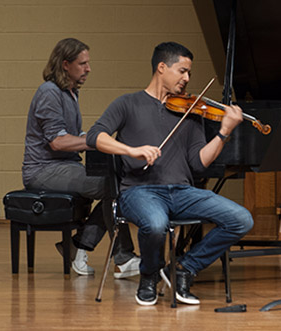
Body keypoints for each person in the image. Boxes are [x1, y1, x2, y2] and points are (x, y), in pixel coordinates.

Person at [86, 41, 254, 306]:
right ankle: (149, 275)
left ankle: (183, 269)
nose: (187, 78)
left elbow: (199, 164)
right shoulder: (127, 104)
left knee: (241, 219)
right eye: (182, 71)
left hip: (183, 192)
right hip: (139, 192)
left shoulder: (190, 111)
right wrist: (131, 150)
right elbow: (96, 136)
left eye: (189, 73)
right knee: (155, 224)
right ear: (161, 68)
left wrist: (224, 132)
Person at [22, 38, 140, 278]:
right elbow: (57, 141)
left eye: (88, 63)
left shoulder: (70, 92)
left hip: (64, 166)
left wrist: (99, 136)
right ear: (65, 64)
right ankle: (123, 257)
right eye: (82, 63)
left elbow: (72, 136)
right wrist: (95, 140)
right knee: (111, 186)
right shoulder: (49, 92)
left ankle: (78, 246)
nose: (88, 69)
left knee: (115, 183)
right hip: (43, 171)